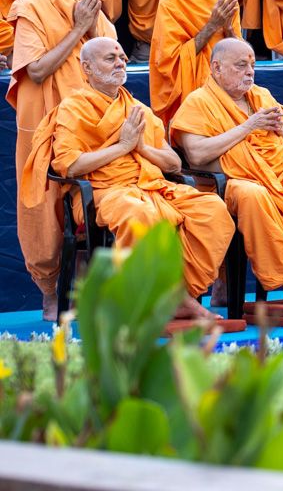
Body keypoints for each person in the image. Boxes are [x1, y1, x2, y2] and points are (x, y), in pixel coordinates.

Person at [21, 37, 235, 319]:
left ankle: (180, 293)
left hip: (152, 188)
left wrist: (141, 147)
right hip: (104, 191)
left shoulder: (137, 109)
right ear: (86, 67)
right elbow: (70, 166)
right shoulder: (72, 110)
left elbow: (172, 163)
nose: (120, 62)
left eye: (122, 56)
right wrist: (121, 148)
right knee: (140, 215)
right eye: (110, 58)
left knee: (213, 210)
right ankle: (168, 297)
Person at [173, 38, 283, 305]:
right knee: (255, 195)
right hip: (232, 183)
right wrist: (249, 126)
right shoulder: (198, 102)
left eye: (252, 65)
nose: (249, 71)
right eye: (240, 65)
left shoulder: (262, 96)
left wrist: (282, 132)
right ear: (216, 68)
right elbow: (197, 154)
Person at [7, 0, 116, 320]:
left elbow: (109, 54)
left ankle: (88, 292)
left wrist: (88, 23)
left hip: (88, 126)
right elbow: (35, 70)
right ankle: (51, 293)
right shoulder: (33, 5)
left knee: (89, 208)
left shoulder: (85, 6)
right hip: (44, 129)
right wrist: (78, 29)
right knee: (44, 209)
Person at [149, 0, 241, 125]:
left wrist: (229, 29)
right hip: (195, 94)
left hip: (229, 86)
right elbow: (169, 63)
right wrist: (212, 26)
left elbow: (239, 54)